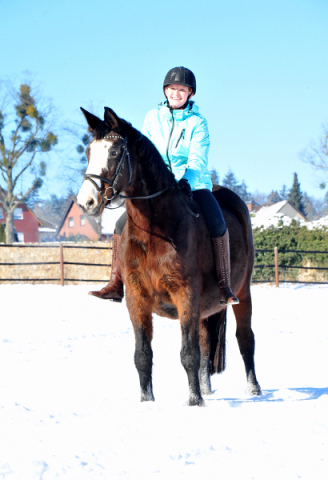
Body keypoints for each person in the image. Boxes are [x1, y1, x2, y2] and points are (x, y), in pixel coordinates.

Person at [89, 66, 239, 306]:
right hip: (157, 185)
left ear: (190, 93)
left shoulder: (198, 122)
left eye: (182, 89)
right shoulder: (152, 118)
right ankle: (116, 283)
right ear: (165, 91)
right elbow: (145, 153)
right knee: (120, 224)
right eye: (172, 88)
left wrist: (187, 181)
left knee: (217, 221)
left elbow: (198, 158)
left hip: (192, 184)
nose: (176, 93)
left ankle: (223, 286)